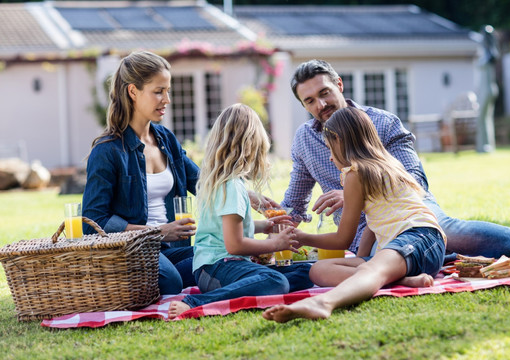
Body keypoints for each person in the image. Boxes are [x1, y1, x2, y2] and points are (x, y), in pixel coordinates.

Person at [281, 59, 510, 260]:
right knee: (384, 261)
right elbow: (294, 202)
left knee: (449, 234)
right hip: (361, 234)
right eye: (310, 100)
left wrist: (353, 194)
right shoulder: (304, 140)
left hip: (410, 212)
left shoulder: (383, 121)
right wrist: (275, 227)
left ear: (339, 84)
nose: (321, 104)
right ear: (304, 105)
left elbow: (415, 180)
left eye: (324, 92)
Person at [262, 106, 446, 323]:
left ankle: (323, 303)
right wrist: (362, 256)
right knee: (319, 270)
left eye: (330, 149)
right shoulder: (381, 164)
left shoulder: (356, 173)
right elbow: (373, 222)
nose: (330, 158)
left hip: (419, 238)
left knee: (372, 269)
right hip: (416, 247)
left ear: (339, 140)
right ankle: (403, 280)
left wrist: (300, 237)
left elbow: (342, 239)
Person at [168, 103, 313, 319]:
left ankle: (250, 285)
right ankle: (195, 303)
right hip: (218, 267)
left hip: (216, 267)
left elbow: (226, 227)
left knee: (304, 272)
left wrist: (265, 226)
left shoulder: (223, 182)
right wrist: (275, 244)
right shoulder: (232, 186)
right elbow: (234, 244)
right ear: (250, 146)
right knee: (276, 282)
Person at [82, 51, 200, 295]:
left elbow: (202, 182)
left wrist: (252, 197)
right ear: (133, 92)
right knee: (172, 282)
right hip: (131, 251)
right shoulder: (107, 151)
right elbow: (93, 224)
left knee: (219, 254)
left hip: (170, 248)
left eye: (168, 91)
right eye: (158, 91)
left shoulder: (166, 139)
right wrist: (159, 231)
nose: (166, 99)